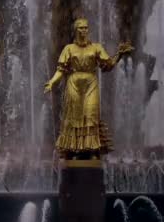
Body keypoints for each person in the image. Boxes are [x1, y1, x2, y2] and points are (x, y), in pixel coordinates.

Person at [45, 18, 133, 159]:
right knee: (74, 117)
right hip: (73, 84)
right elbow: (61, 69)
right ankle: (71, 149)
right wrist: (52, 82)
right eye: (81, 28)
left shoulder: (96, 47)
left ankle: (91, 150)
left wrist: (120, 55)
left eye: (86, 27)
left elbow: (108, 64)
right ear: (76, 30)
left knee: (91, 114)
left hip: (91, 83)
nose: (84, 30)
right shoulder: (68, 48)